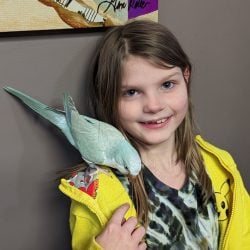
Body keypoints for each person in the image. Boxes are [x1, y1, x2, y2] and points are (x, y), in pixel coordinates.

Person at [59, 20, 250, 249]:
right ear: (108, 97)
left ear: (185, 77)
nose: (153, 105)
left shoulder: (220, 166)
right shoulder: (95, 191)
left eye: (167, 85)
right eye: (131, 92)